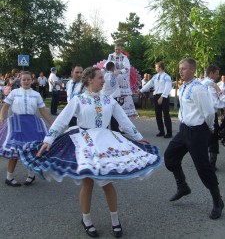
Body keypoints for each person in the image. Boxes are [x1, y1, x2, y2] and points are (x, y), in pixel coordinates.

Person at [19, 67, 161, 238]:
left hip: (105, 142)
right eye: (100, 77)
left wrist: (138, 137)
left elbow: (123, 121)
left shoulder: (109, 101)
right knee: (88, 183)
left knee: (108, 182)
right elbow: (62, 121)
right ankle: (86, 219)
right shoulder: (78, 100)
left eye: (103, 78)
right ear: (90, 80)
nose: (104, 80)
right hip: (85, 144)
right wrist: (48, 140)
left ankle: (115, 219)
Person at [164, 58, 224, 220]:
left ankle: (218, 201)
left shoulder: (198, 89)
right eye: (180, 68)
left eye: (184, 69)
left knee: (203, 168)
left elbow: (210, 112)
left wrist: (210, 128)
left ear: (192, 70)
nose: (181, 71)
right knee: (170, 158)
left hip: (197, 132)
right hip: (184, 130)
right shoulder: (184, 86)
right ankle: (183, 186)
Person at [0, 71, 53, 187]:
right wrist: (1, 118)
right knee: (14, 151)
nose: (26, 81)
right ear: (20, 80)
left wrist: (53, 124)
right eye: (24, 79)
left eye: (28, 79)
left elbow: (43, 111)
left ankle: (31, 175)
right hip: (17, 123)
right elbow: (5, 107)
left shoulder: (36, 94)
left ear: (32, 80)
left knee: (32, 150)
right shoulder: (14, 92)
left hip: (32, 124)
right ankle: (9, 177)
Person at [138, 61, 172, 138]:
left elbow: (167, 87)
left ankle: (169, 133)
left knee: (166, 115)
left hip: (164, 96)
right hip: (156, 96)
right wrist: (141, 91)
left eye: (156, 67)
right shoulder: (155, 76)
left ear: (160, 67)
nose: (155, 68)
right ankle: (161, 131)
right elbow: (149, 84)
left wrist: (162, 96)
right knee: (158, 114)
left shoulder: (166, 77)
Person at [201, 65, 225, 171]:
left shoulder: (201, 82)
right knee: (213, 138)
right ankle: (211, 163)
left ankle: (203, 161)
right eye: (217, 73)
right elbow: (214, 103)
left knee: (203, 137)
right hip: (210, 113)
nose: (218, 75)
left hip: (201, 115)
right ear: (211, 73)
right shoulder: (211, 85)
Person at [105, 43, 138, 117]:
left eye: (119, 49)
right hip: (112, 77)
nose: (117, 51)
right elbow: (107, 65)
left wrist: (120, 71)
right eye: (116, 49)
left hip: (121, 79)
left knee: (122, 97)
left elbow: (127, 68)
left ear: (121, 49)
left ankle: (122, 115)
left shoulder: (124, 57)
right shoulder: (111, 56)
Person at [101, 61, 122, 132]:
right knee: (114, 114)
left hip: (104, 97)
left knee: (105, 113)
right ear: (112, 67)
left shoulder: (103, 76)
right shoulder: (114, 76)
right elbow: (116, 86)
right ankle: (115, 129)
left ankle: (104, 128)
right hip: (113, 97)